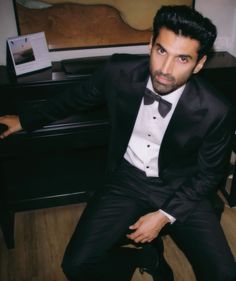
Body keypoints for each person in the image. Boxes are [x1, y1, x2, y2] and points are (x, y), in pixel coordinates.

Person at [0, 5, 236, 281]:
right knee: (76, 265)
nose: (165, 69)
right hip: (126, 179)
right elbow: (73, 98)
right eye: (161, 51)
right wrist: (25, 120)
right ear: (150, 44)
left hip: (183, 187)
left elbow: (210, 174)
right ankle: (144, 257)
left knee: (224, 274)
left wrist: (163, 215)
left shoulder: (216, 110)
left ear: (199, 64)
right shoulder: (117, 71)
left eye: (182, 59)